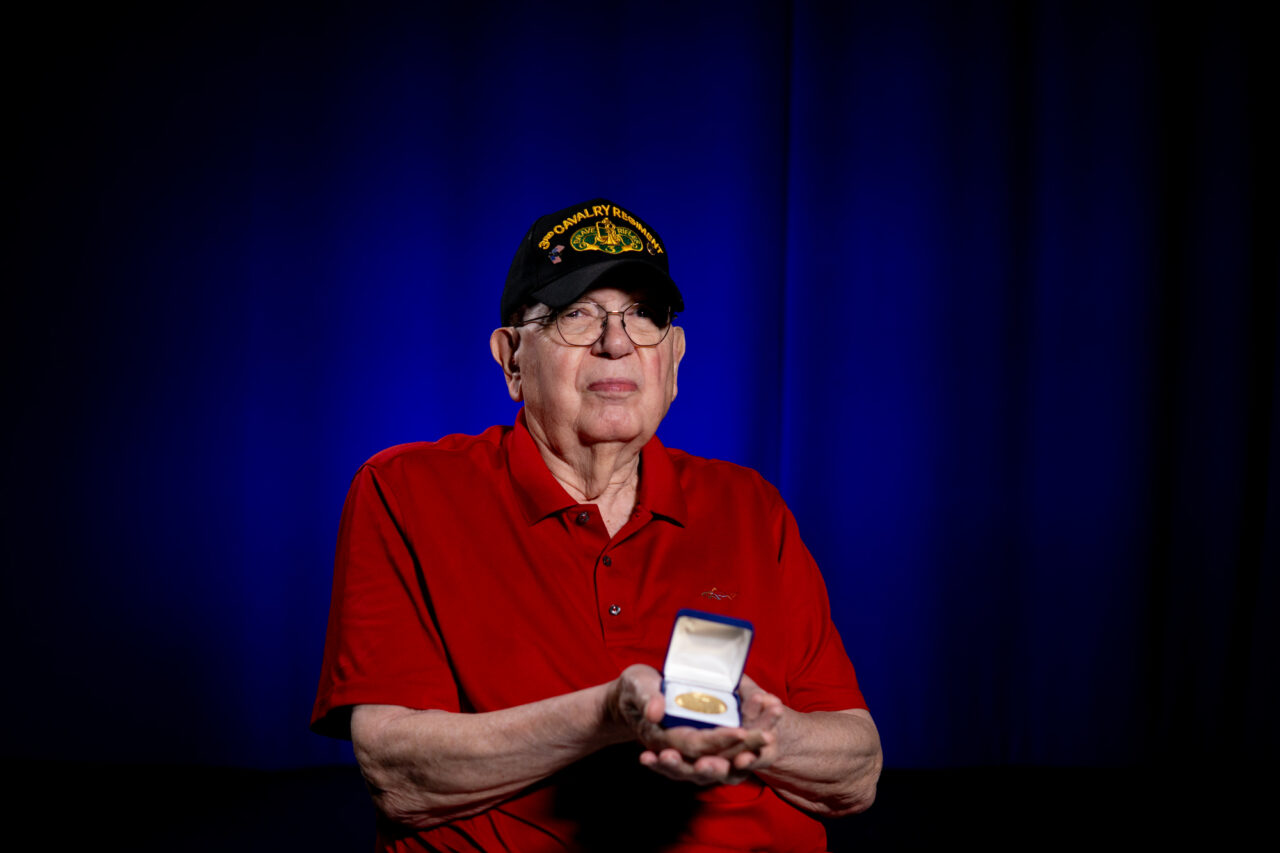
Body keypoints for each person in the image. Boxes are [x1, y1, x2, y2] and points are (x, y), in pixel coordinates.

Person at [312, 198, 882, 852]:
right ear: (511, 361)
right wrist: (609, 715)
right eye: (575, 314)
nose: (616, 342)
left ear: (674, 357)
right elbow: (396, 773)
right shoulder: (406, 491)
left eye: (644, 315)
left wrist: (759, 729)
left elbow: (858, 769)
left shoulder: (751, 506)